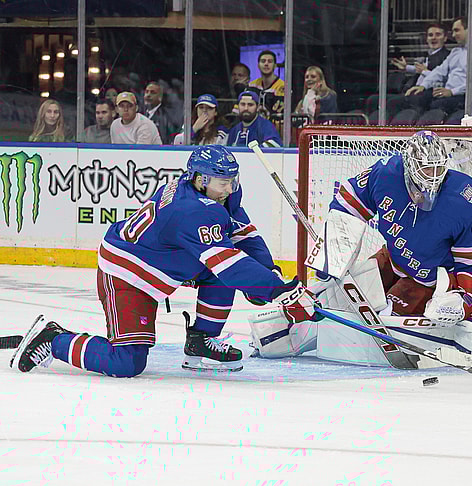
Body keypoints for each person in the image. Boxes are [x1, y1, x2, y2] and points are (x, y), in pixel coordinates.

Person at [11, 145, 319, 377]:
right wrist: (281, 292)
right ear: (200, 179)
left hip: (167, 261)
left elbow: (243, 234)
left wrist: (270, 275)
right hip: (128, 272)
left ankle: (202, 341)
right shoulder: (193, 210)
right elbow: (229, 263)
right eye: (222, 181)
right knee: (127, 363)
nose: (230, 187)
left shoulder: (216, 195)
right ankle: (55, 340)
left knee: (224, 268)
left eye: (232, 180)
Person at [249, 131, 472, 362]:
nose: (433, 176)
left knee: (384, 322)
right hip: (392, 259)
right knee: (328, 297)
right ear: (409, 164)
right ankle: (274, 336)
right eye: (426, 168)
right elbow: (348, 201)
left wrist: (464, 296)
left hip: (426, 278)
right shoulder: (387, 173)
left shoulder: (463, 195)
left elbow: (469, 258)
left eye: (438, 168)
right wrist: (334, 252)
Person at [403, 17, 472, 116]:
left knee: (436, 105)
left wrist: (452, 92)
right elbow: (440, 71)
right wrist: (423, 86)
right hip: (446, 93)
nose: (453, 35)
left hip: (464, 97)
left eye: (457, 30)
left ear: (469, 30)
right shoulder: (455, 52)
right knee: (415, 97)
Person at [249, 50, 286, 117]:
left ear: (275, 66)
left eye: (270, 61)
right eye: (263, 61)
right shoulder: (252, 85)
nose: (266, 64)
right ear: (258, 65)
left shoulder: (283, 86)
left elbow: (278, 113)